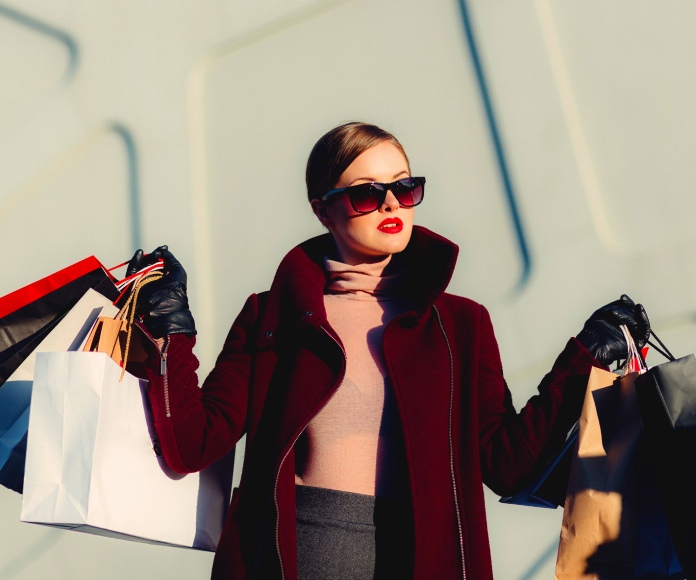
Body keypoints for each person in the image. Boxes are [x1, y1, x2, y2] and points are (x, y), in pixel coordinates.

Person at [127, 121, 650, 579]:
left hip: (424, 559)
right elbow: (191, 444)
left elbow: (506, 465)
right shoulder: (273, 316)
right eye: (365, 194)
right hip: (294, 558)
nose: (392, 205)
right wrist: (172, 329)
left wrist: (585, 357)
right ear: (322, 210)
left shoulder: (460, 324)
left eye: (404, 187)